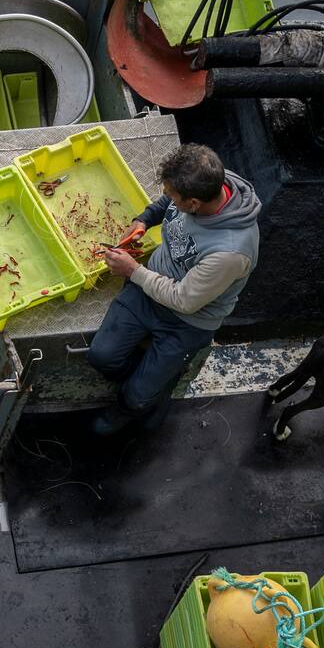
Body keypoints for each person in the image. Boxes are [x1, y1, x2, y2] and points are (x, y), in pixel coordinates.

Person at [88, 142, 260, 435]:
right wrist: (143, 220)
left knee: (140, 396)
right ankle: (146, 374)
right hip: (149, 287)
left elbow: (183, 300)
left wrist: (133, 270)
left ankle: (132, 403)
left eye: (173, 196)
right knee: (101, 356)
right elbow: (164, 203)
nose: (168, 198)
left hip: (188, 320)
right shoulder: (210, 181)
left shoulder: (230, 252)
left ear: (194, 204)